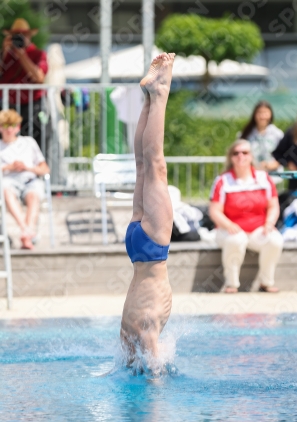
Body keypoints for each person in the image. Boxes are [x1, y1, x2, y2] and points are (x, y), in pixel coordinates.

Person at [120, 53, 175, 371]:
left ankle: (160, 92)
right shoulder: (128, 329)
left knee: (154, 164)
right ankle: (149, 96)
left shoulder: (145, 327)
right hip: (136, 249)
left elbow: (153, 369)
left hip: (152, 249)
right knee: (143, 165)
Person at [209, 139, 283, 293]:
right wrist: (229, 225)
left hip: (258, 230)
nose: (240, 156)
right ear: (231, 157)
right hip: (228, 230)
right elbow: (215, 211)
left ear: (251, 156)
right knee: (237, 239)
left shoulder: (264, 178)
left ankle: (267, 282)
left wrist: (269, 224)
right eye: (236, 153)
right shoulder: (222, 181)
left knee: (275, 240)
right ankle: (232, 284)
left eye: (245, 152)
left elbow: (273, 206)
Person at [0, 109, 49, 249]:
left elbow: (45, 169)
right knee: (6, 190)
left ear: (18, 127)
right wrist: (8, 167)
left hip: (30, 180)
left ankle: (26, 232)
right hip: (8, 181)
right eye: (5, 125)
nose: (9, 129)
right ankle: (28, 232)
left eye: (12, 125)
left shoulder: (29, 142)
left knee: (33, 195)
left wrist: (27, 168)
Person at [0, 18, 49, 150]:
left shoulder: (39, 54)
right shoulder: (6, 55)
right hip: (8, 106)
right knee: (7, 142)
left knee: (35, 142)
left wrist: (22, 54)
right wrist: (4, 51)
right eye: (16, 35)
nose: (19, 38)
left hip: (32, 106)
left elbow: (39, 77)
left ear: (29, 37)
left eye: (23, 35)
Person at [240, 101, 283, 173]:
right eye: (259, 113)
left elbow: (284, 154)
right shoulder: (245, 134)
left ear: (271, 114)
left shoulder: (278, 134)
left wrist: (273, 165)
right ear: (254, 115)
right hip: (251, 176)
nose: (262, 116)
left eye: (265, 113)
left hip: (273, 176)